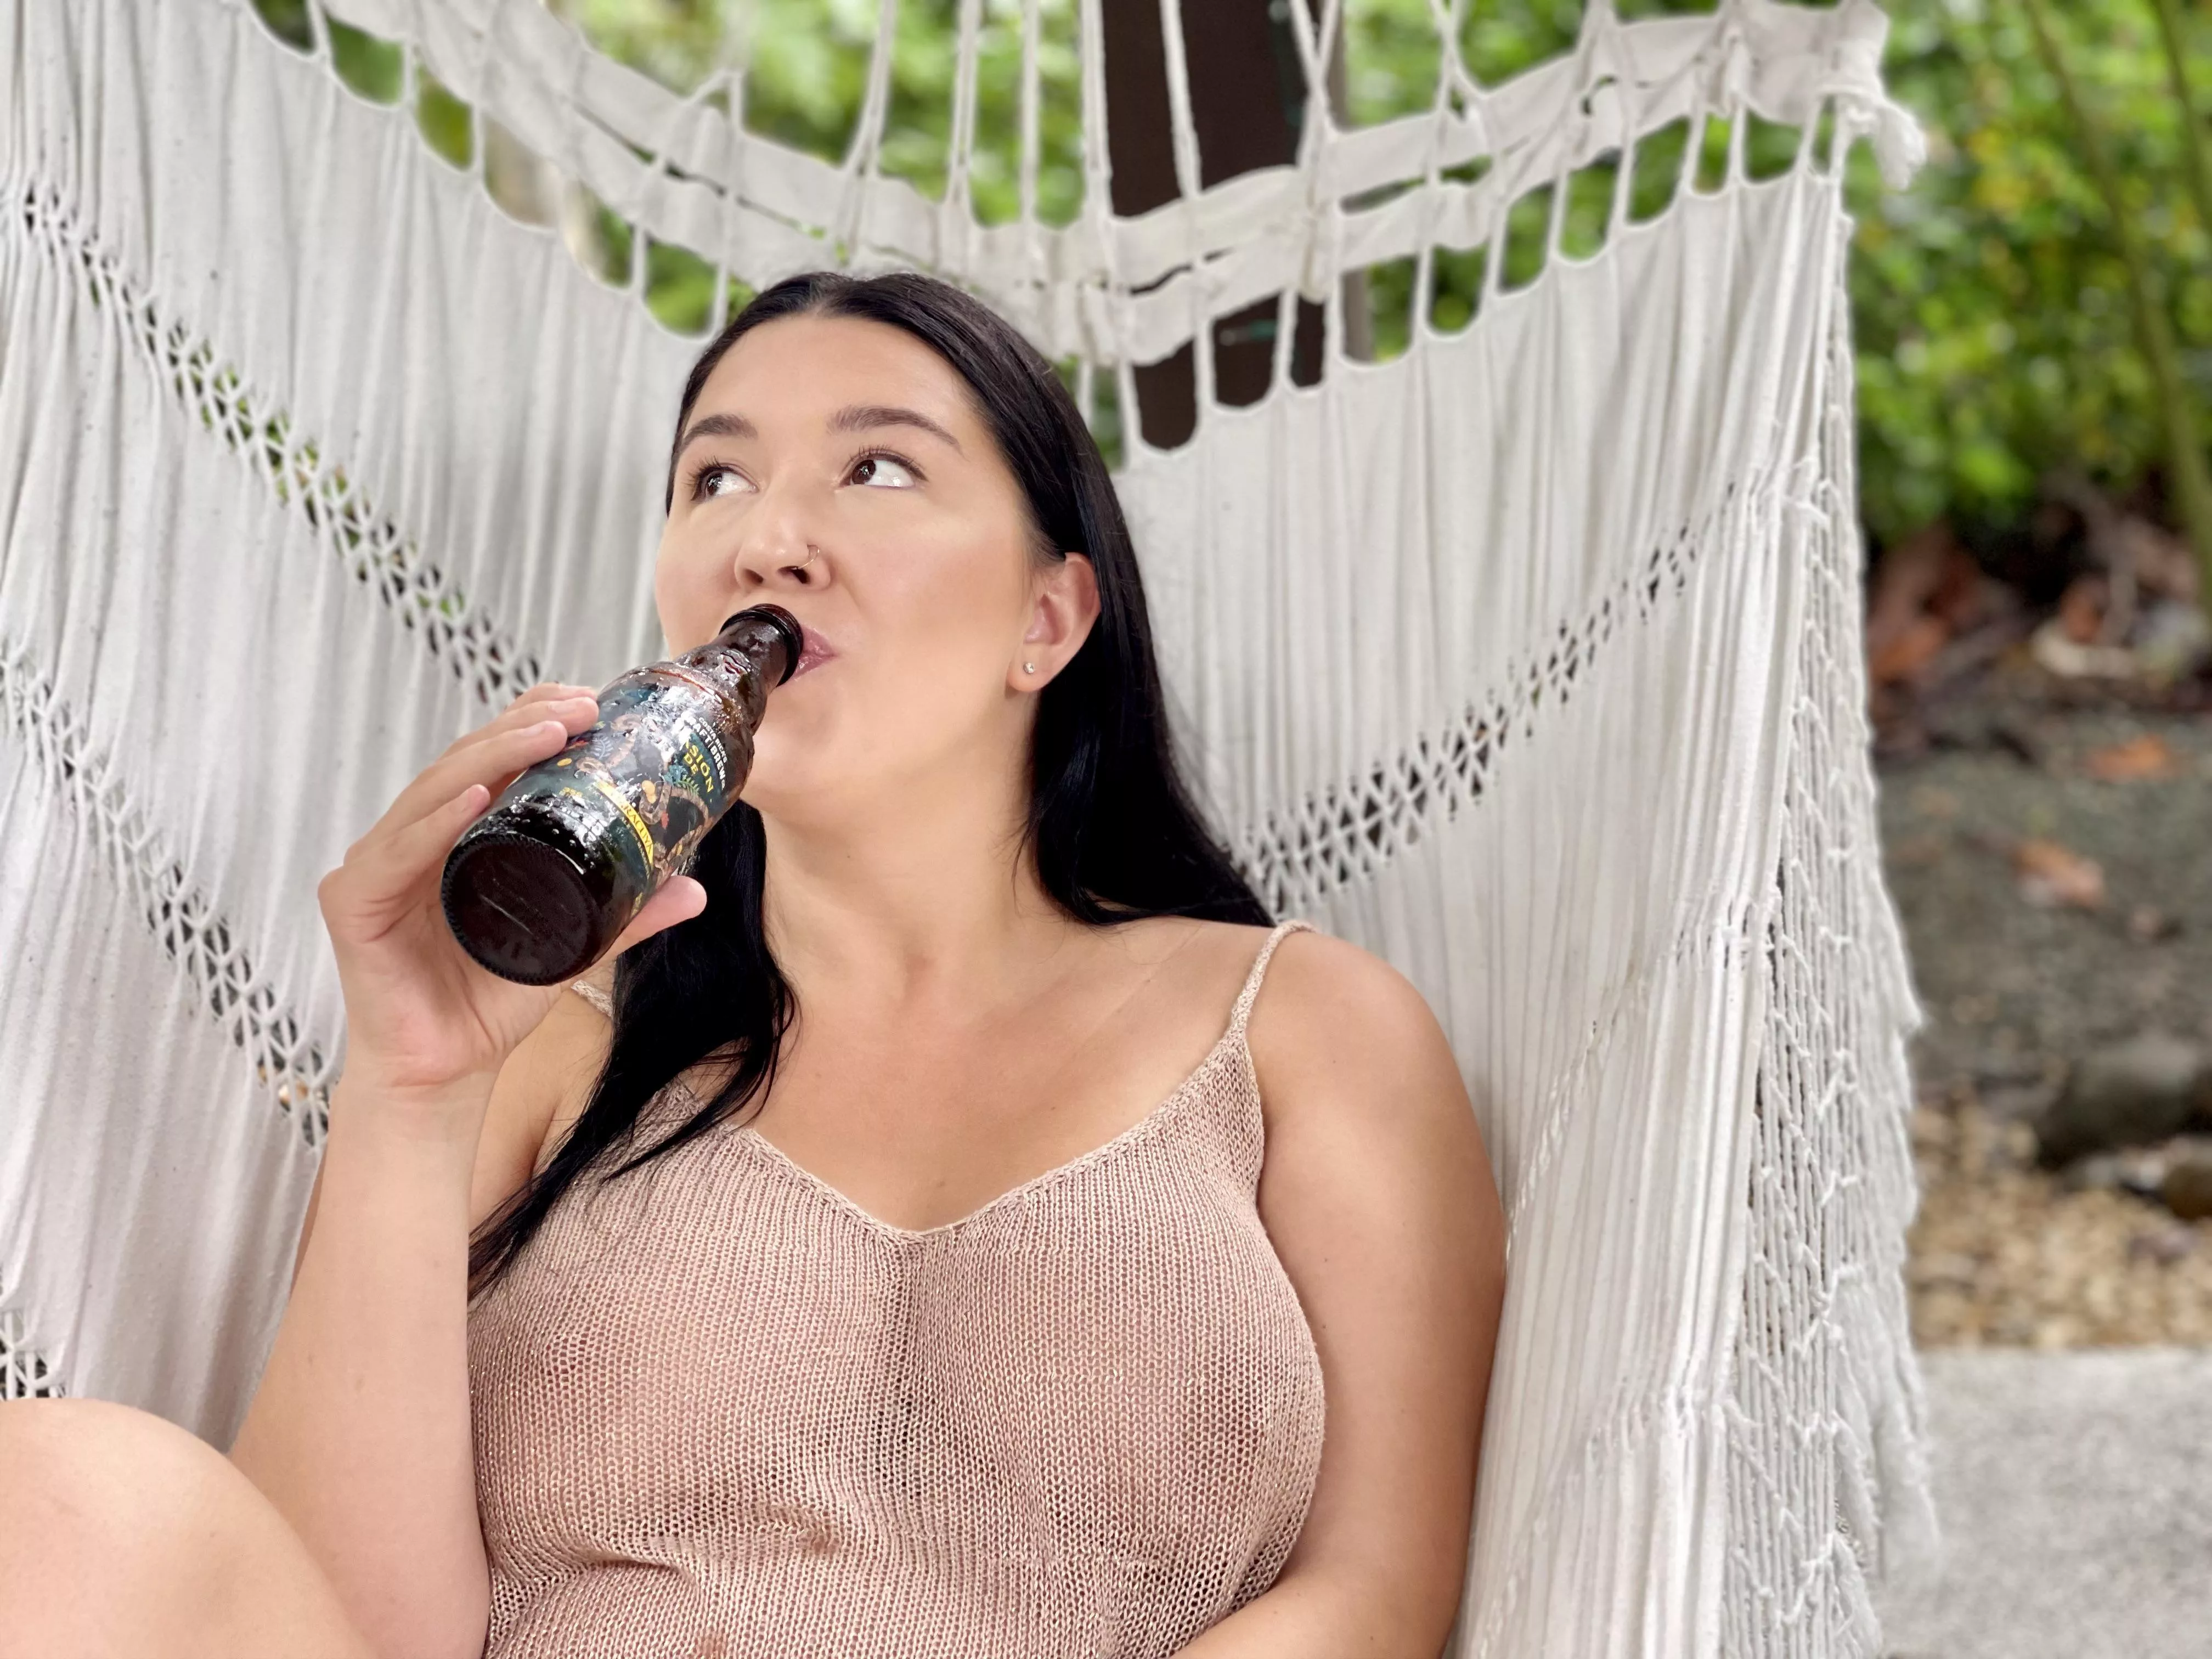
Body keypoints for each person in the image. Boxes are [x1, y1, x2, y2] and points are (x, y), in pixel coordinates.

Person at [0, 271, 1506, 1658]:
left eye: (878, 468)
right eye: (716, 478)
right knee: (66, 1490)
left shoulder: (1297, 1027)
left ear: (1049, 618)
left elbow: (1378, 1593)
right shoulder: (547, 1052)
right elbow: (337, 1628)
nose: (766, 535)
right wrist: (411, 1082)